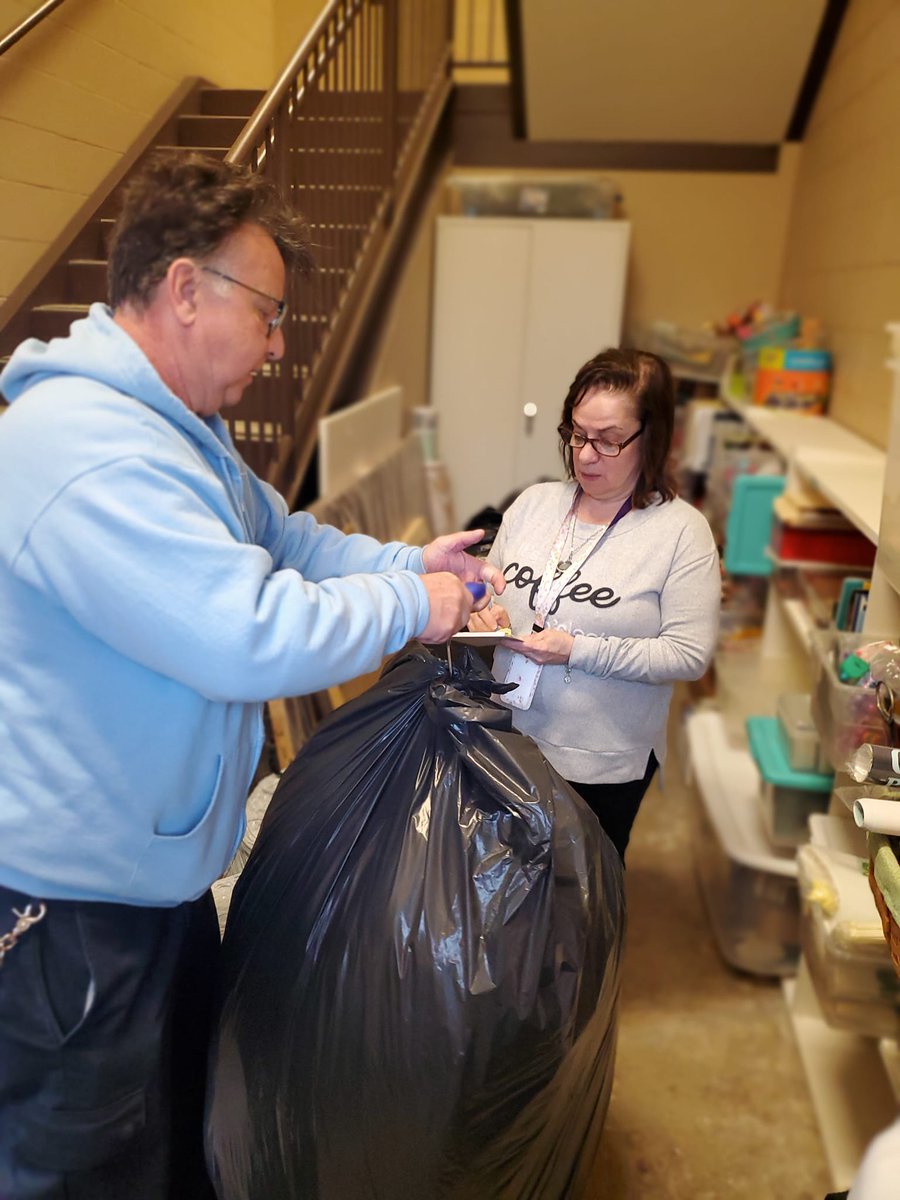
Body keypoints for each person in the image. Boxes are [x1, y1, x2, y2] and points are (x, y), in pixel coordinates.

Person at [0, 151, 504, 1199]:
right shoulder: (84, 450)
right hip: (74, 919)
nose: (278, 348)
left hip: (155, 888)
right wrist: (416, 610)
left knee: (170, 1143)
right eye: (268, 315)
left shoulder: (188, 439)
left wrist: (412, 566)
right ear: (185, 290)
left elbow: (286, 544)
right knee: (86, 1165)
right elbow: (248, 629)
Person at [468, 347, 720, 861]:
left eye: (608, 441)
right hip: (508, 743)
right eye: (578, 434)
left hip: (601, 766)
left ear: (652, 438)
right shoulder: (534, 505)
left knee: (579, 901)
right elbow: (490, 589)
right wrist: (483, 611)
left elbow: (687, 655)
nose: (585, 455)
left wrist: (578, 650)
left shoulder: (681, 533)